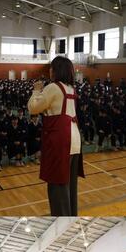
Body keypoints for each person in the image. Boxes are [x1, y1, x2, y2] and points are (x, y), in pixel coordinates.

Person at [27, 57, 85, 216]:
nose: (50, 71)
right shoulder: (71, 89)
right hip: (74, 140)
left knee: (57, 187)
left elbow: (33, 108)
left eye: (51, 68)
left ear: (56, 70)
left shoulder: (53, 88)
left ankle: (61, 222)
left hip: (60, 140)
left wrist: (36, 91)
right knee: (70, 187)